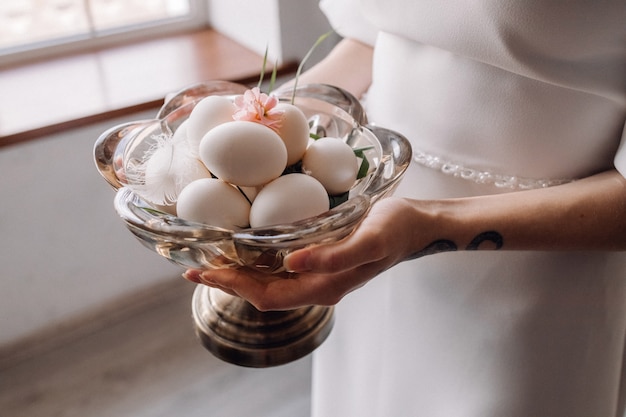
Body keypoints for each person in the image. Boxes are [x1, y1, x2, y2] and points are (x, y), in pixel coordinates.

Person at [184, 0, 626, 415]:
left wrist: (423, 227)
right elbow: (379, 32)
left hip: (536, 271)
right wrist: (274, 129)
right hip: (361, 220)